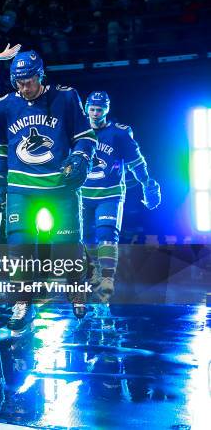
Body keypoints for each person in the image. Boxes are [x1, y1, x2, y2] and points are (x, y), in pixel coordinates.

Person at [0, 50, 97, 329]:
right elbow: (1, 151)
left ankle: (76, 288)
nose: (24, 87)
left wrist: (81, 157)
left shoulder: (66, 97)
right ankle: (22, 300)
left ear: (41, 76)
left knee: (67, 248)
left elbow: (86, 137)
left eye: (29, 81)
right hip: (21, 189)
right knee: (19, 248)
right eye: (19, 82)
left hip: (60, 186)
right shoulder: (2, 107)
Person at [81, 91, 160, 303]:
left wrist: (147, 184)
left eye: (100, 109)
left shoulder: (120, 133)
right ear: (86, 108)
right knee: (86, 236)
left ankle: (107, 278)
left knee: (106, 233)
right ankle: (96, 270)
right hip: (83, 193)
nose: (95, 113)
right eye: (92, 108)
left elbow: (136, 161)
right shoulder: (77, 131)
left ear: (106, 110)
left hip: (110, 192)